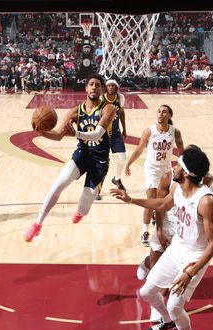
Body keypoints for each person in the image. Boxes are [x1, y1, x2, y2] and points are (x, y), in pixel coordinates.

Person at [111, 145, 213, 330]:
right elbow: (161, 204)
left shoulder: (206, 201)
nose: (174, 167)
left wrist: (190, 272)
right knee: (146, 292)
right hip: (177, 248)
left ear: (187, 172)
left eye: (179, 164)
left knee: (174, 304)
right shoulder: (178, 190)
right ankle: (167, 321)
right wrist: (130, 200)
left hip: (195, 258)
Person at [23, 74, 116, 242]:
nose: (94, 87)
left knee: (86, 201)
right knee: (59, 183)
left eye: (97, 85)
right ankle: (37, 224)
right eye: (91, 84)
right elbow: (58, 135)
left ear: (102, 90)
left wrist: (76, 133)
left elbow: (97, 134)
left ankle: (81, 212)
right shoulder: (75, 111)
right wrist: (41, 132)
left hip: (100, 161)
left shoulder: (108, 108)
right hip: (82, 155)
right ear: (86, 88)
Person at [123, 104, 184, 246]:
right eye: (159, 112)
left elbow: (182, 151)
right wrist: (128, 164)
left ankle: (159, 227)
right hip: (151, 168)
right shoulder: (149, 131)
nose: (161, 114)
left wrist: (183, 167)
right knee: (151, 198)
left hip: (166, 168)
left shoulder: (175, 132)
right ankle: (145, 230)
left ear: (169, 115)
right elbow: (139, 149)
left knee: (162, 200)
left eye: (164, 112)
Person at [95, 79, 127, 201]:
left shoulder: (121, 98)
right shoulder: (101, 99)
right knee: (102, 162)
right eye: (109, 85)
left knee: (122, 157)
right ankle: (97, 189)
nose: (111, 87)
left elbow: (122, 113)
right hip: (103, 133)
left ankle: (117, 179)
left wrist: (125, 129)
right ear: (106, 87)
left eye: (113, 85)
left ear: (116, 87)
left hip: (115, 132)